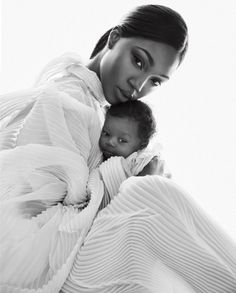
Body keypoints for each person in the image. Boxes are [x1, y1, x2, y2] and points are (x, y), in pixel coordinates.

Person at [0, 3, 235, 293]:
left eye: (156, 82)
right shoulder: (67, 99)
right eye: (138, 61)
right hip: (39, 259)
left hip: (67, 249)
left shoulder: (97, 103)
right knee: (150, 194)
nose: (139, 86)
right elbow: (47, 213)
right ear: (113, 39)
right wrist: (131, 178)